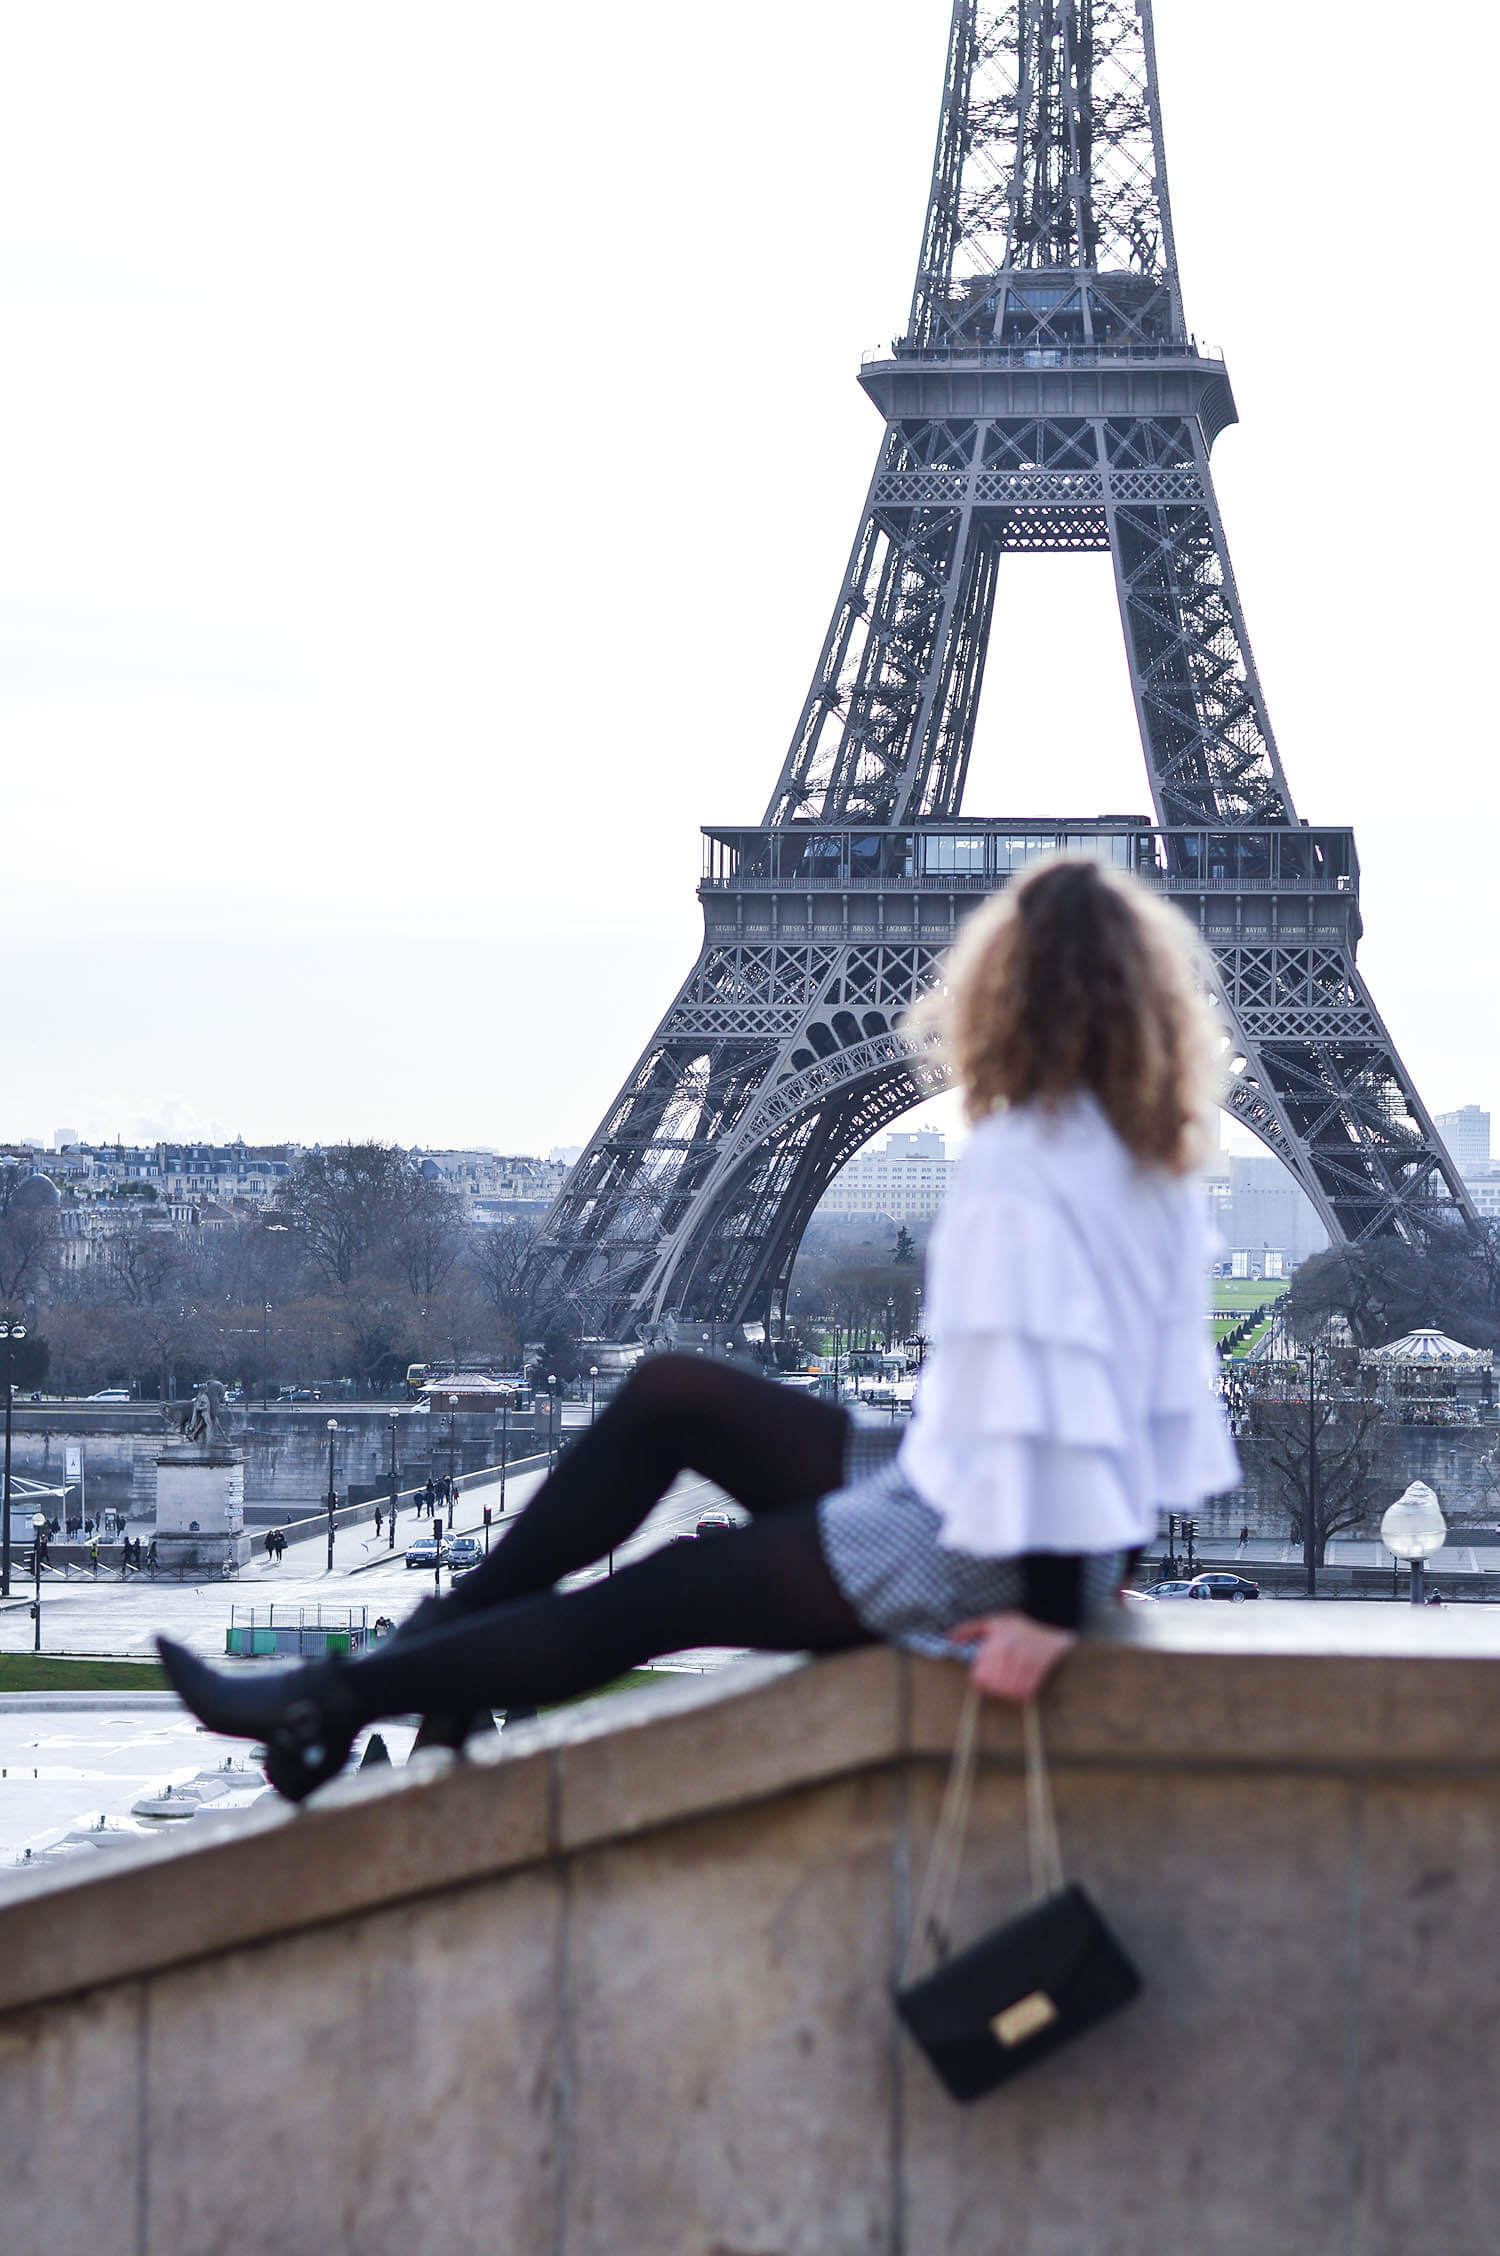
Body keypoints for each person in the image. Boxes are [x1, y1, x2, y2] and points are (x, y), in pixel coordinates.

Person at [159, 856, 1240, 1803]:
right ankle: (430, 1654)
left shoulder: (1027, 1162)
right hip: (1019, 1514)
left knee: (652, 1597)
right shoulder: (1151, 1166)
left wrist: (1048, 1608)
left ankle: (328, 1699)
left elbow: (1046, 1404)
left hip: (989, 1540)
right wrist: (1102, 1563)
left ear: (1004, 992)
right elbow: (1150, 1408)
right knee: (673, 1390)